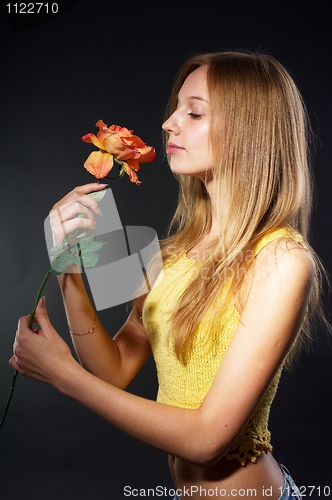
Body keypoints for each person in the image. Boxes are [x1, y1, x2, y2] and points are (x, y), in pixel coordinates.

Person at [10, 51, 326, 499]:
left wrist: (64, 376)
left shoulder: (282, 261)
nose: (169, 123)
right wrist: (69, 271)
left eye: (194, 112)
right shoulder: (172, 251)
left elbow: (206, 440)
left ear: (248, 132)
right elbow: (115, 369)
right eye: (177, 108)